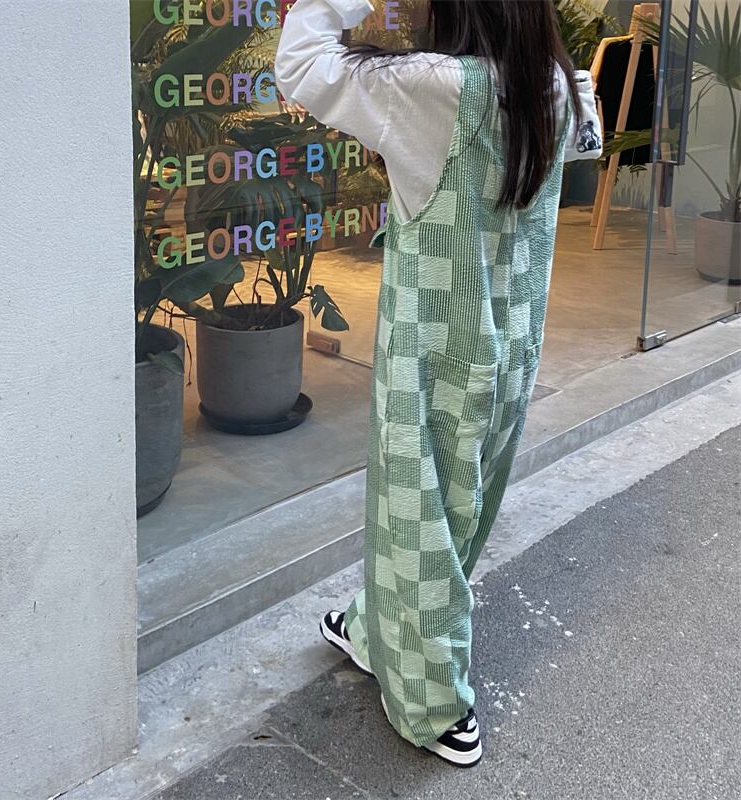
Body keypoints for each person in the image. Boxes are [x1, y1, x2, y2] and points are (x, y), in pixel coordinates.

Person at [275, 0, 602, 768]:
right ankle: (373, 627)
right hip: (511, 346)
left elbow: (300, 62)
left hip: (432, 353)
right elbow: (579, 147)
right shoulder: (557, 87)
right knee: (454, 516)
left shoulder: (439, 87)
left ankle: (435, 705)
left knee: (416, 514)